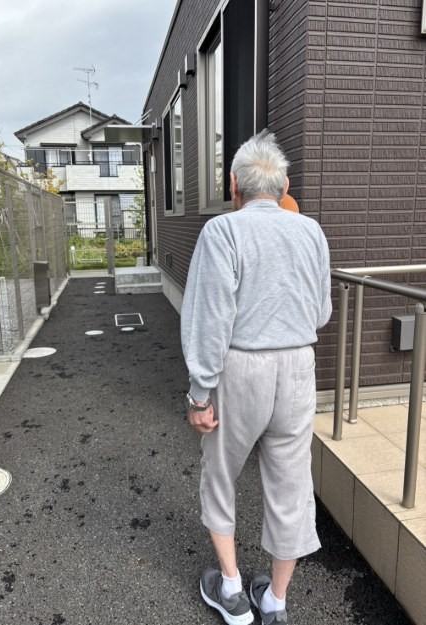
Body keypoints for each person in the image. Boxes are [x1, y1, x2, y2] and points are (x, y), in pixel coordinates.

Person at [181, 130, 332, 625]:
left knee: (221, 474)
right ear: (285, 186)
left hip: (241, 367)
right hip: (298, 367)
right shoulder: (311, 232)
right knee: (292, 485)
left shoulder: (223, 231)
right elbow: (321, 314)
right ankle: (276, 602)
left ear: (234, 185)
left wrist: (200, 395)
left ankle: (231, 589)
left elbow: (210, 320)